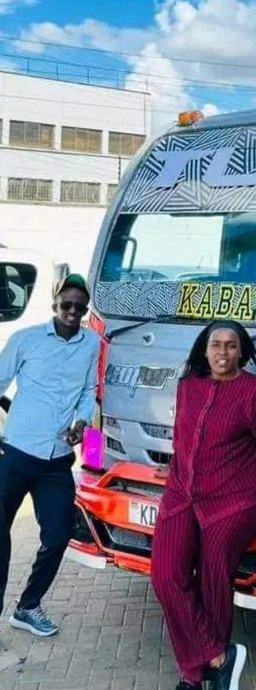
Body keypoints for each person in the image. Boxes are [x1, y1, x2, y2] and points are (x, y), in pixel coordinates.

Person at [150, 320, 256, 690]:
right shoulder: (188, 386)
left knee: (214, 575)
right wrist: (175, 467)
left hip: (236, 500)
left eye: (230, 346)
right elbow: (182, 438)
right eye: (216, 345)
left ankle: (194, 677)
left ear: (242, 351)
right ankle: (219, 658)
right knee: (165, 576)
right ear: (205, 349)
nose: (222, 353)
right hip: (182, 495)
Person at [0, 273, 99, 637]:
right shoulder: (25, 340)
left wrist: (83, 422)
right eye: (66, 305)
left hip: (57, 459)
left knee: (58, 534)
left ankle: (28, 607)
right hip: (16, 453)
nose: (72, 311)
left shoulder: (91, 344)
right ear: (54, 306)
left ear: (85, 310)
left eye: (79, 306)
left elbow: (89, 389)